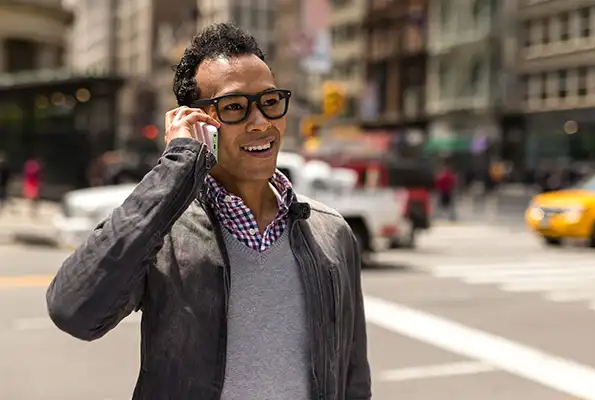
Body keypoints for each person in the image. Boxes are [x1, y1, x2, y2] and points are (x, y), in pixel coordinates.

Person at [46, 23, 371, 400]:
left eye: (270, 101)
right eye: (234, 107)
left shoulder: (331, 232)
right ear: (195, 122)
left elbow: (352, 378)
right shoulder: (163, 231)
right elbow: (74, 310)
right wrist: (177, 165)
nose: (261, 122)